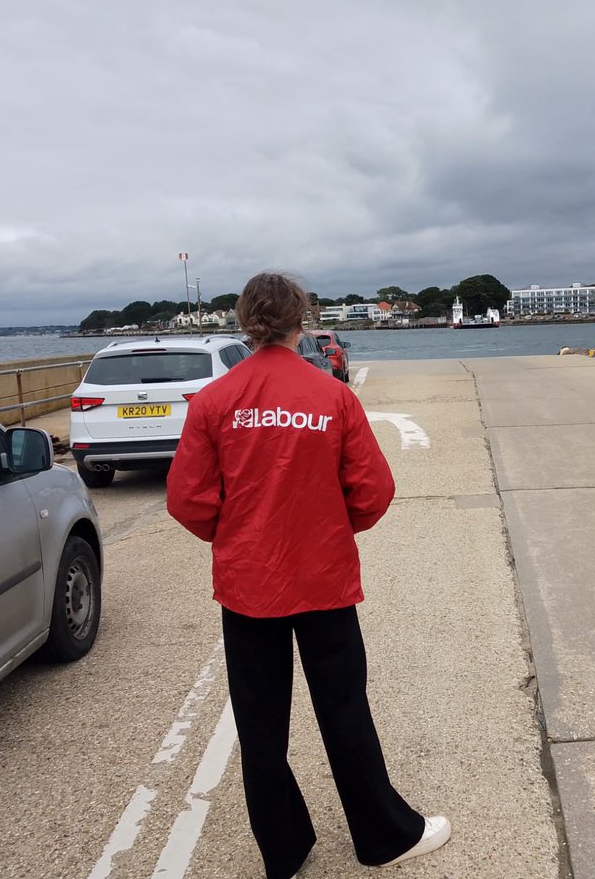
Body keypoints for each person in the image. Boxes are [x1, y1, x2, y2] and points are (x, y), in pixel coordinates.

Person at [167, 271, 450, 879]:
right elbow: (373, 492)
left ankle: (284, 848)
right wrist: (328, 526)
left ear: (245, 321)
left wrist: (239, 537)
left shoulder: (215, 401)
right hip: (323, 579)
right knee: (345, 708)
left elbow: (188, 499)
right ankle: (382, 835)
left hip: (248, 587)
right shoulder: (332, 396)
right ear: (303, 320)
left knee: (260, 721)